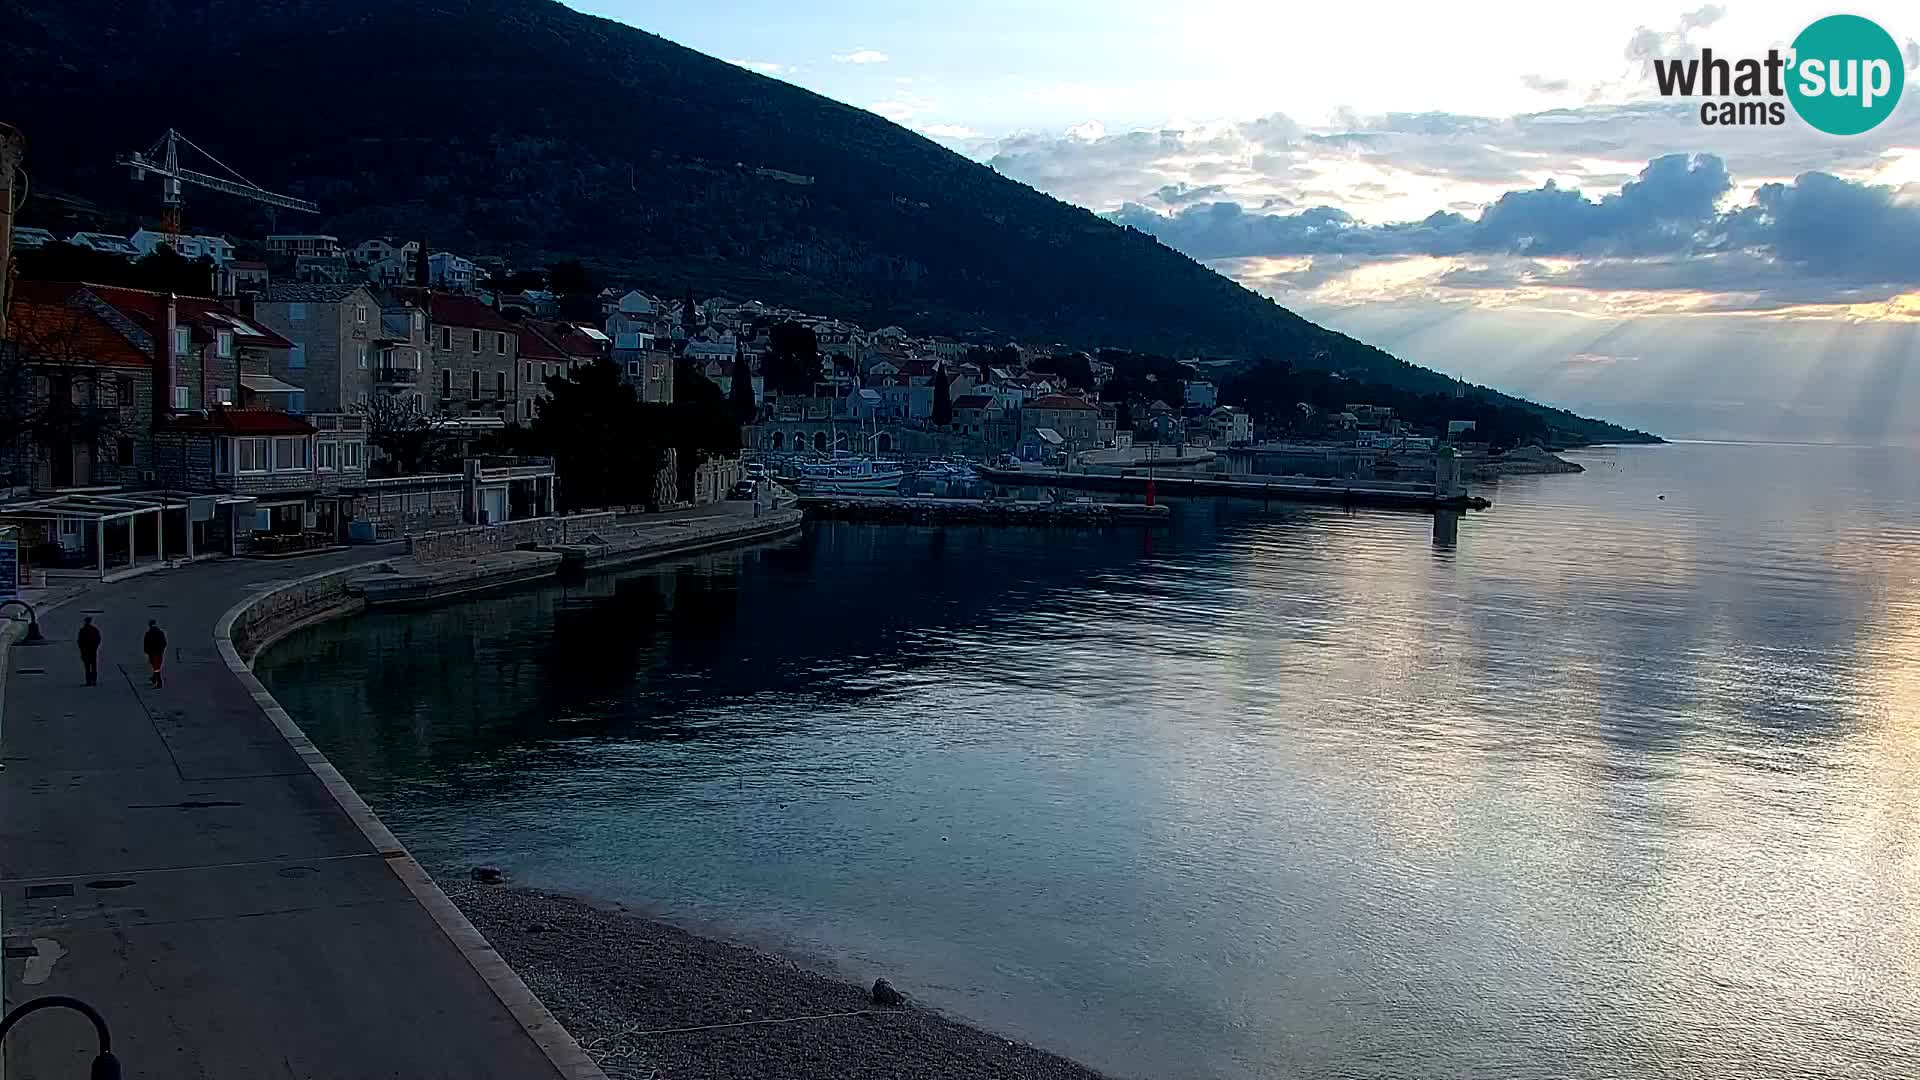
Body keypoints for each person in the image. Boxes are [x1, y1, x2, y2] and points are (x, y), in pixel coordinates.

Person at [76, 616, 101, 687]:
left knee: (88, 667)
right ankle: (93, 681)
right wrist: (95, 647)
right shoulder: (94, 629)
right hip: (92, 650)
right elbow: (98, 639)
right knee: (93, 666)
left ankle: (89, 681)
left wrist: (82, 649)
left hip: (86, 650)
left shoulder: (83, 630)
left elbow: (79, 641)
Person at [143, 619, 167, 689]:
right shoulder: (161, 632)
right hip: (159, 652)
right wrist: (161, 650)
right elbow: (164, 643)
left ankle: (159, 682)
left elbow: (146, 644)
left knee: (156, 667)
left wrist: (147, 651)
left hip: (153, 653)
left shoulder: (148, 633)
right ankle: (154, 678)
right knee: (157, 666)